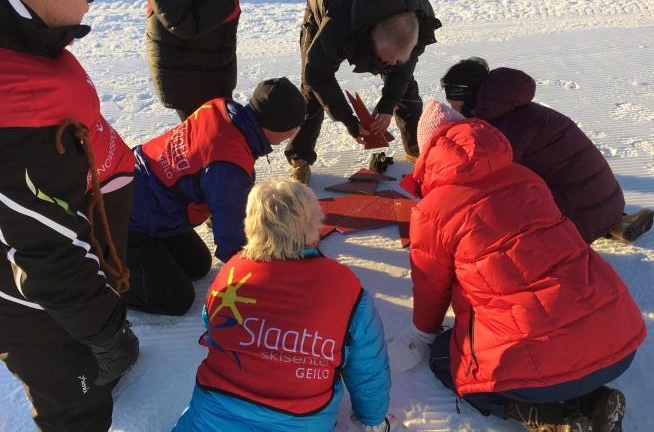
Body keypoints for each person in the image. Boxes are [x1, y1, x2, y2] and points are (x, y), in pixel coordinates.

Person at [390, 101, 646, 431]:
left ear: (430, 153)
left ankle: (558, 419)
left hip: (538, 367)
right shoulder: (528, 178)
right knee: (559, 350)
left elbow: (431, 287)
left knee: (446, 359)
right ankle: (595, 402)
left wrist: (420, 335)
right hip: (621, 346)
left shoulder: (432, 210)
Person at [0, 0, 139, 430]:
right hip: (25, 307)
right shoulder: (26, 100)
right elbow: (47, 255)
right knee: (76, 408)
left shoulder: (20, 46)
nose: (90, 2)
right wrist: (108, 333)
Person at [174, 178, 395, 431]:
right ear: (313, 223)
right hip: (300, 420)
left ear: (250, 224)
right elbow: (368, 364)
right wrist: (373, 420)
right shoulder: (344, 287)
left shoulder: (232, 273)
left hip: (212, 410)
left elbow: (211, 321)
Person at [124, 78, 306, 316]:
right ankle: (106, 275)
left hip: (149, 195)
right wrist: (264, 283)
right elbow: (231, 239)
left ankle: (150, 253)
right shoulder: (228, 165)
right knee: (177, 299)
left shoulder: (223, 109)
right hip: (126, 217)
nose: (293, 135)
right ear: (277, 126)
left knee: (197, 265)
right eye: (293, 129)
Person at [439, 57, 653, 243]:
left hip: (576, 215)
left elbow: (483, 177)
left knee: (494, 208)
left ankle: (584, 229)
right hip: (606, 201)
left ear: (470, 98)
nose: (453, 110)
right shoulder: (517, 110)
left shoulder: (504, 130)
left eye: (454, 104)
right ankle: (613, 223)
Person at [287, 0, 442, 184]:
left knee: (404, 84)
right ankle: (299, 158)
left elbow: (403, 71)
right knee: (311, 92)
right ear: (371, 41)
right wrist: (349, 120)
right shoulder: (339, 25)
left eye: (396, 60)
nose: (387, 66)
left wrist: (388, 104)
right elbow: (317, 74)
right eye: (384, 60)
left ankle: (416, 150)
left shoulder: (420, 19)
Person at [135, 0, 263, 121]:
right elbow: (180, 21)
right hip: (183, 61)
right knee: (204, 135)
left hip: (220, 53)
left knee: (221, 127)